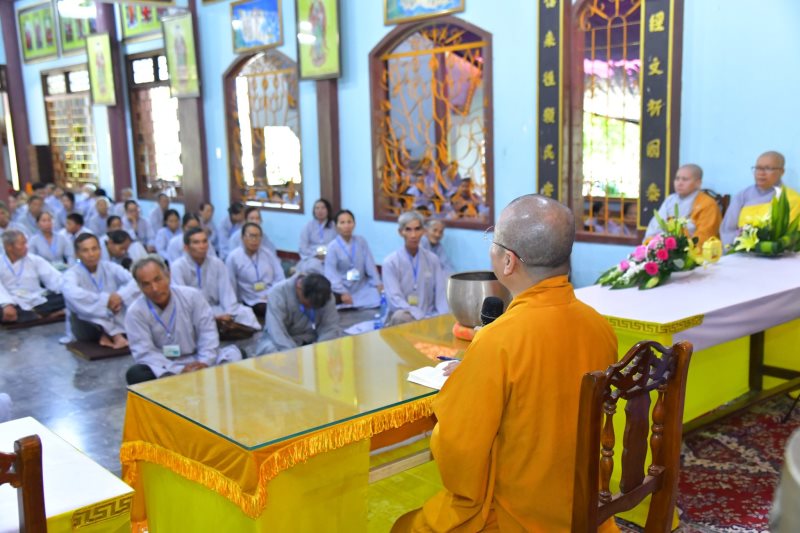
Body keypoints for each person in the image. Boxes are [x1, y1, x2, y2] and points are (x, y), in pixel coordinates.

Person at [392, 195, 619, 532]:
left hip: (517, 516)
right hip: (584, 508)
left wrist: (466, 382)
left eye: (493, 241)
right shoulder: (600, 327)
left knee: (404, 526)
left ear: (508, 262)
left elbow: (459, 450)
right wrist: (477, 373)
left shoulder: (498, 340)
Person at [124, 255, 243, 385]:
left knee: (236, 355)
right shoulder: (135, 312)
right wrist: (179, 370)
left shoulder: (192, 296)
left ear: (168, 276)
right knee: (136, 374)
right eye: (146, 284)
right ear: (139, 287)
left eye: (157, 279)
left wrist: (204, 362)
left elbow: (207, 333)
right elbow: (145, 352)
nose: (155, 288)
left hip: (198, 358)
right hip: (166, 367)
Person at [170, 228, 261, 331]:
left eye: (204, 241)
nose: (202, 246)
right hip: (193, 312)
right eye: (196, 242)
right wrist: (211, 317)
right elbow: (182, 301)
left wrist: (229, 313)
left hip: (217, 308)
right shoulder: (178, 267)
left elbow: (226, 294)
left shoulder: (217, 264)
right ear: (186, 248)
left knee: (246, 313)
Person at [62, 234, 139, 349]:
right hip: (88, 322)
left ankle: (109, 334)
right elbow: (73, 294)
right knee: (84, 311)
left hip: (114, 312)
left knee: (134, 298)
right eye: (85, 250)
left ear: (100, 250)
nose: (91, 254)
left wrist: (119, 296)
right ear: (77, 254)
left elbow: (135, 281)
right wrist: (106, 301)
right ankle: (114, 335)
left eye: (94, 249)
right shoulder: (71, 274)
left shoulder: (110, 267)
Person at [382, 211, 448, 325]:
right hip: (407, 315)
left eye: (417, 229)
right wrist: (418, 315)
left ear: (423, 231)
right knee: (400, 316)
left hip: (429, 315)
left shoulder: (432, 259)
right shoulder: (390, 262)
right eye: (408, 229)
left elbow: (441, 295)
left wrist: (442, 318)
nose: (413, 235)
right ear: (400, 232)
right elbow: (394, 298)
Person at [721, 151, 800, 245]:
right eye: (758, 168)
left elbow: (792, 237)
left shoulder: (791, 199)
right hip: (740, 248)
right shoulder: (742, 196)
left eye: (768, 168)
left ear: (781, 172)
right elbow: (727, 231)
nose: (761, 173)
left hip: (776, 252)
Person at [254, 272, 341, 355]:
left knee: (338, 343)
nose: (312, 307)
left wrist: (321, 348)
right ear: (299, 286)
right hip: (285, 338)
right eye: (309, 304)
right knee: (271, 349)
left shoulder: (326, 295)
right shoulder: (277, 293)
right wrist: (293, 354)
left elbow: (330, 327)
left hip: (313, 336)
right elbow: (276, 331)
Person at [644, 164, 721, 246]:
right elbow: (655, 226)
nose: (679, 183)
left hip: (692, 250)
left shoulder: (708, 204)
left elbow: (703, 237)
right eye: (677, 179)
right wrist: (652, 245)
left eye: (685, 179)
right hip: (665, 248)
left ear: (698, 183)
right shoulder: (670, 200)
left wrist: (679, 249)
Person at [0, 230, 65, 324]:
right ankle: (44, 314)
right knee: (5, 311)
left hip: (37, 300)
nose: (26, 247)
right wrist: (6, 304)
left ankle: (34, 315)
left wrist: (68, 290)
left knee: (67, 297)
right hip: (13, 302)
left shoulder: (35, 260)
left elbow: (55, 279)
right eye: (22, 244)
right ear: (9, 247)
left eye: (26, 243)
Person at [225, 222, 285, 319]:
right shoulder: (233, 257)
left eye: (258, 236)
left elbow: (280, 277)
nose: (254, 240)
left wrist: (271, 293)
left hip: (271, 294)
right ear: (242, 237)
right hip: (250, 298)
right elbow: (230, 283)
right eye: (251, 236)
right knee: (272, 309)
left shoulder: (268, 254)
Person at [324, 209, 382, 308]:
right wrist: (342, 292)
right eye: (342, 222)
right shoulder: (332, 247)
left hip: (361, 284)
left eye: (349, 222)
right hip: (342, 286)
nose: (346, 226)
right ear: (336, 226)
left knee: (381, 295)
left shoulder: (361, 241)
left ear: (354, 224)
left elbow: (370, 264)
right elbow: (331, 273)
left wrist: (378, 283)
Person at [296, 198, 337, 274]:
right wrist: (315, 255)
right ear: (314, 211)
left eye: (323, 208)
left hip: (330, 256)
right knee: (313, 266)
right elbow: (303, 246)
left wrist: (326, 254)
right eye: (317, 208)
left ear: (328, 210)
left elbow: (337, 244)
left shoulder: (334, 226)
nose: (320, 211)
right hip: (312, 257)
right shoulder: (308, 226)